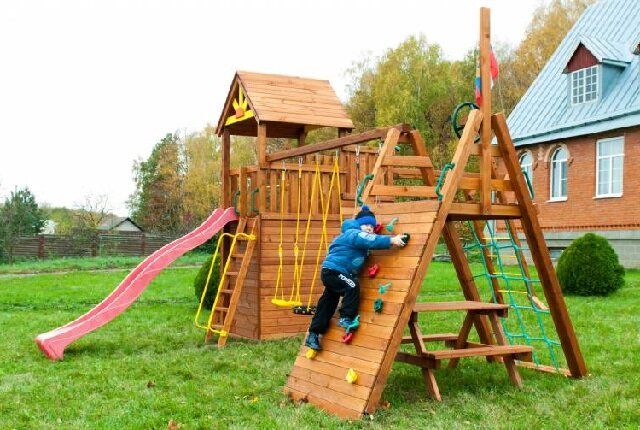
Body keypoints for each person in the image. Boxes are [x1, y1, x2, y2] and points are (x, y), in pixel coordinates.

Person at [305, 205, 406, 351]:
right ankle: (346, 317)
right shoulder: (354, 234)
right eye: (366, 225)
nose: (370, 228)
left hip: (331, 272)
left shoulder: (351, 237)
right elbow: (370, 240)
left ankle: (313, 334)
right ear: (359, 225)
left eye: (372, 226)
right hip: (335, 271)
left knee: (328, 301)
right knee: (352, 285)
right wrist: (391, 240)